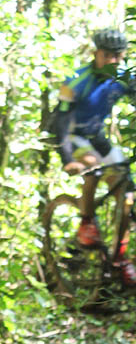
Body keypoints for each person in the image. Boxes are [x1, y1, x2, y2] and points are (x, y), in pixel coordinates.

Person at [53, 26, 136, 287]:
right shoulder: (77, 80)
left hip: (96, 136)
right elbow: (60, 122)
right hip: (71, 135)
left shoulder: (124, 77)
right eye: (107, 55)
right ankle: (86, 223)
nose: (113, 60)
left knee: (127, 192)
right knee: (93, 167)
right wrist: (68, 159)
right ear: (96, 53)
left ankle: (120, 259)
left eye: (118, 55)